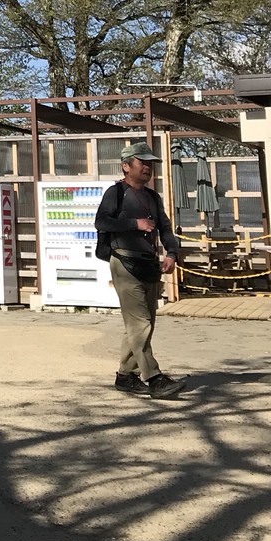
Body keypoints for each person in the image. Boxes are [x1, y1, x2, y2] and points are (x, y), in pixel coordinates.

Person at [95, 141, 185, 399]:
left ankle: (125, 376)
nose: (148, 167)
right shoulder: (116, 193)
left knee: (141, 325)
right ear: (126, 166)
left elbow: (165, 228)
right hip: (124, 262)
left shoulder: (153, 197)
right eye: (142, 162)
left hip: (149, 263)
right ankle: (154, 378)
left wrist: (172, 253)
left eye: (150, 163)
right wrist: (134, 223)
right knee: (140, 323)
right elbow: (101, 221)